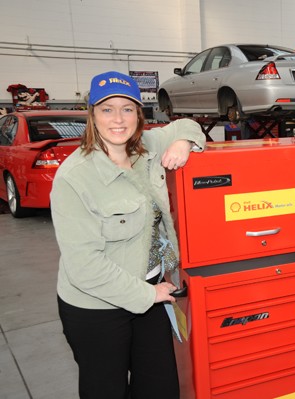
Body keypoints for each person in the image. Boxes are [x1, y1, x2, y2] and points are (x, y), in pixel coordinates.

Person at [50, 71, 206, 399]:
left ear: (139, 114)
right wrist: (148, 295)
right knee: (106, 390)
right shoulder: (74, 178)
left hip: (151, 290)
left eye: (127, 109)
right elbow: (85, 267)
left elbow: (187, 124)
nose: (118, 119)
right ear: (91, 115)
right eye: (107, 109)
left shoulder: (145, 147)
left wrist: (183, 141)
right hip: (97, 308)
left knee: (160, 387)